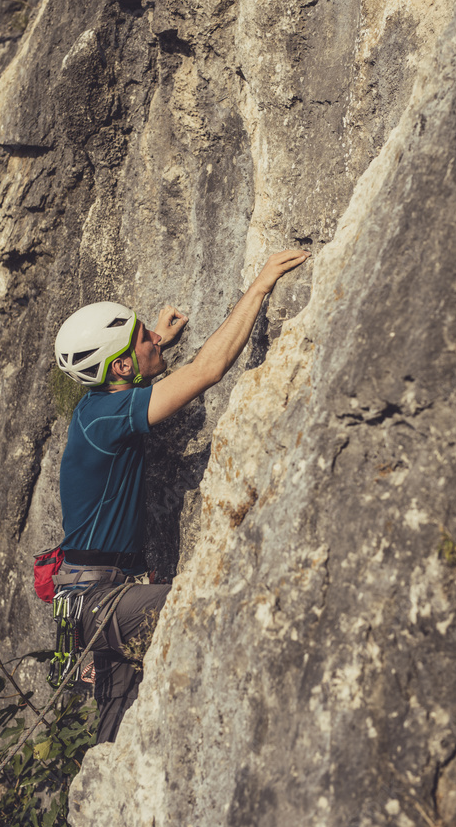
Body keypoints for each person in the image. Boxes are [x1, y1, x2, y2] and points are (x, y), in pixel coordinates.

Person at [53, 249, 310, 743]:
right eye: (143, 336)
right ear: (123, 365)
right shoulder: (108, 417)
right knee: (205, 612)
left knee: (117, 727)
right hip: (101, 601)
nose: (154, 334)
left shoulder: (100, 405)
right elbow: (205, 371)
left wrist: (157, 346)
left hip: (91, 598)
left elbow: (143, 381)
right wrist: (259, 285)